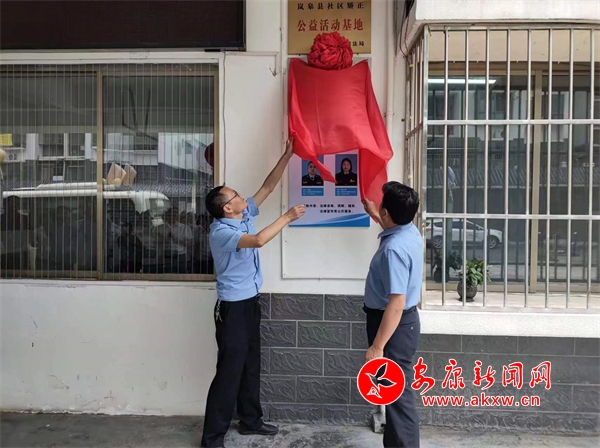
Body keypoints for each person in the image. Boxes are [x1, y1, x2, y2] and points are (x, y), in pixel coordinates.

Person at [200, 137, 305, 448]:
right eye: (235, 195)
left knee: (250, 365)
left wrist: (287, 155)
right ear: (226, 207)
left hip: (249, 303)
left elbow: (268, 187)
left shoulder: (242, 215)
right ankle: (212, 437)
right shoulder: (221, 232)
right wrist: (287, 217)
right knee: (228, 372)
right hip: (232, 309)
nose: (241, 196)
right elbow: (258, 241)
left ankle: (250, 420)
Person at [362, 182, 423, 448]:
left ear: (388, 212)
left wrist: (377, 347)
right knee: (395, 394)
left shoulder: (393, 250)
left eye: (382, 206)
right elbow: (392, 229)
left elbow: (396, 302)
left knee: (398, 397)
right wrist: (375, 214)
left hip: (393, 325)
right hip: (402, 324)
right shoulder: (409, 230)